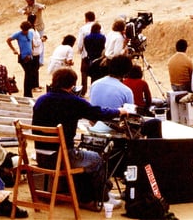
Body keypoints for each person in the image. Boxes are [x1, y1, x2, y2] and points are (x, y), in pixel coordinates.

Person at [33, 67, 127, 211]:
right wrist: (119, 111)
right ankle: (99, 198)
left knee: (84, 157)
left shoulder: (41, 100)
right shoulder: (74, 101)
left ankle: (101, 193)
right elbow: (97, 113)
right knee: (97, 158)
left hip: (41, 155)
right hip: (61, 157)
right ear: (72, 84)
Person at [6, 21, 36, 98]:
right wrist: (14, 50)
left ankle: (28, 93)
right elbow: (8, 40)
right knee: (28, 74)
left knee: (30, 74)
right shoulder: (18, 34)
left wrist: (32, 49)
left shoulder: (30, 33)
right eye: (24, 30)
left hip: (30, 56)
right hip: (23, 57)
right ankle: (27, 94)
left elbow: (31, 41)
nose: (25, 32)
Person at [19, 0, 46, 65]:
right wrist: (24, 12)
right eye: (27, 1)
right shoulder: (27, 7)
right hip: (31, 28)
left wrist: (42, 7)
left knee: (40, 43)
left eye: (29, 1)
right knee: (32, 43)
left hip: (39, 27)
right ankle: (35, 60)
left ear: (33, 0)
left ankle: (40, 61)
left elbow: (43, 6)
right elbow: (19, 10)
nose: (28, 3)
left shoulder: (37, 6)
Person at [26, 14, 44, 91]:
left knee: (36, 69)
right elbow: (33, 42)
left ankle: (36, 84)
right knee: (33, 69)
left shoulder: (33, 29)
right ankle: (33, 86)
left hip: (37, 51)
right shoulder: (30, 30)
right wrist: (41, 40)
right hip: (34, 52)